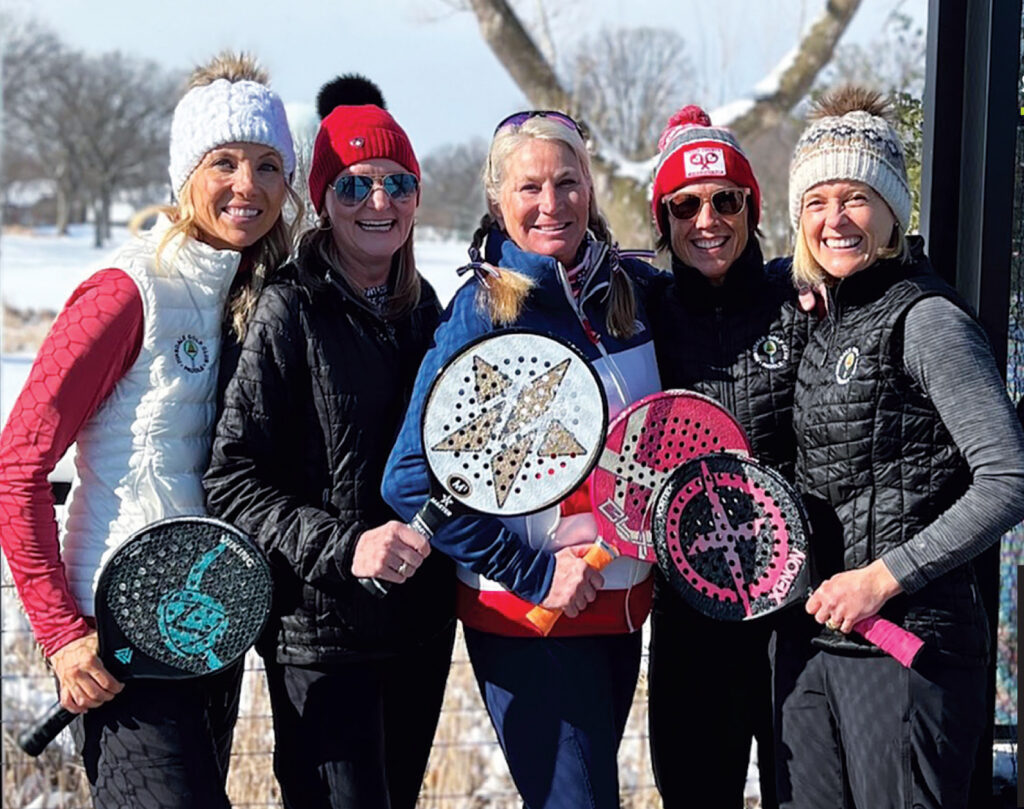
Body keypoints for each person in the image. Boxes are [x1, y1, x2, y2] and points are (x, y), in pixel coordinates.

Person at [0, 52, 297, 808]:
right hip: (120, 635)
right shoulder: (123, 292)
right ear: (184, 173)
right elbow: (17, 465)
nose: (247, 185)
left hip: (209, 626)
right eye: (224, 161)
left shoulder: (258, 293)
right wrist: (63, 634)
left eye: (268, 165)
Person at [382, 110, 661, 809]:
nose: (551, 202)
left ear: (591, 187)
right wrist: (534, 574)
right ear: (497, 198)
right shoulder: (484, 313)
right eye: (529, 185)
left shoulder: (626, 292)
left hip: (619, 613)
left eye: (567, 181)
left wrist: (799, 285)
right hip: (531, 623)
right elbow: (411, 478)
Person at [202, 76, 455, 809]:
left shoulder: (426, 311)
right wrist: (347, 547)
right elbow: (233, 478)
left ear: (416, 195)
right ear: (321, 199)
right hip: (321, 634)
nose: (378, 203)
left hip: (418, 626)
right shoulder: (289, 308)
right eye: (353, 186)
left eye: (396, 183)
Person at [775, 85, 1024, 809]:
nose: (835, 219)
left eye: (855, 198)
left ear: (891, 212)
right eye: (817, 202)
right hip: (817, 643)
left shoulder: (927, 320)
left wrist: (882, 577)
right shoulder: (824, 321)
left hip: (910, 648)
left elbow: (1008, 475)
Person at [644, 105, 811, 809]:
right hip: (689, 615)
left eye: (724, 200)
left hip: (792, 611)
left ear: (751, 206)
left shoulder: (798, 296)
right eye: (684, 204)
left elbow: (875, 279)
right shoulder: (642, 308)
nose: (706, 219)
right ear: (664, 218)